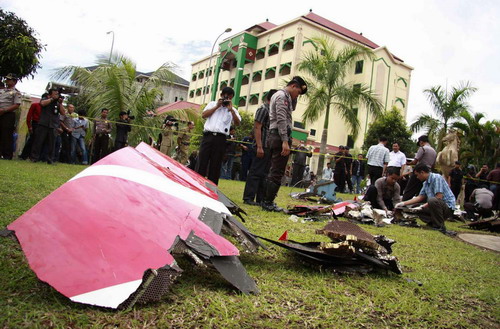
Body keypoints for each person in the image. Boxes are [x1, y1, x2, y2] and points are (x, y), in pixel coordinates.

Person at [261, 76, 307, 211]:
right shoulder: (281, 96)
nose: (297, 95)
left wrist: (295, 97)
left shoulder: (285, 96)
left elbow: (291, 109)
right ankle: (267, 202)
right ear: (293, 86)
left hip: (277, 135)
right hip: (279, 136)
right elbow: (281, 119)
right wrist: (285, 141)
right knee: (277, 171)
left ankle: (266, 200)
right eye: (298, 92)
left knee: (275, 170)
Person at [195, 87, 241, 185]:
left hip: (220, 139)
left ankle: (212, 187)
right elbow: (204, 115)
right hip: (208, 136)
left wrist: (231, 110)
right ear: (221, 95)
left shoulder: (232, 109)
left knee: (216, 164)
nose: (226, 99)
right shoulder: (212, 104)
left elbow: (237, 123)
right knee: (202, 161)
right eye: (225, 96)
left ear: (232, 98)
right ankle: (197, 184)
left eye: (229, 97)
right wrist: (217, 106)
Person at [395, 163, 456, 235]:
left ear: (422, 172)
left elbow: (439, 197)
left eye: (417, 175)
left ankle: (439, 225)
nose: (417, 177)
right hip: (436, 205)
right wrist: (403, 203)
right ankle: (432, 222)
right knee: (415, 207)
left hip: (447, 207)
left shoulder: (436, 178)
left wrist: (423, 206)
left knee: (432, 201)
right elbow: (420, 197)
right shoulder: (426, 183)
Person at [242, 89, 277, 205]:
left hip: (269, 146)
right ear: (271, 98)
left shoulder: (272, 111)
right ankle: (248, 198)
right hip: (261, 145)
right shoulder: (263, 109)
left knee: (264, 174)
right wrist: (259, 146)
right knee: (255, 172)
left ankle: (260, 198)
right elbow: (257, 127)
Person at [30, 88, 66, 164]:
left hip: (53, 125)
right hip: (43, 123)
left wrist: (60, 103)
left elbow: (63, 113)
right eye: (55, 94)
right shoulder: (46, 99)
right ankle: (34, 158)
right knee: (38, 142)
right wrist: (52, 99)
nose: (57, 95)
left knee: (52, 144)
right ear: (50, 94)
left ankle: (50, 159)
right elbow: (42, 103)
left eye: (57, 94)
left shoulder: (57, 103)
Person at [402, 135, 437, 201]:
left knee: (410, 188)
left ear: (421, 142)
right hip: (428, 172)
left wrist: (408, 163)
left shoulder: (423, 148)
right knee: (423, 190)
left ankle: (403, 203)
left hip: (419, 170)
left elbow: (415, 161)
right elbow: (433, 166)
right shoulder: (434, 151)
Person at [0, 74, 22, 159]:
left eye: (9, 80)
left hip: (8, 114)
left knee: (6, 135)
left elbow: (17, 105)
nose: (7, 81)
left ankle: (7, 155)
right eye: (7, 79)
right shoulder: (2, 91)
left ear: (14, 81)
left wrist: (4, 110)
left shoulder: (16, 92)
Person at [20, 95, 45, 160]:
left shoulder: (46, 107)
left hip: (43, 125)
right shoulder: (35, 105)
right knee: (32, 139)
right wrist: (29, 126)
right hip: (35, 123)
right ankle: (24, 155)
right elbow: (29, 116)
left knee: (39, 141)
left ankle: (34, 156)